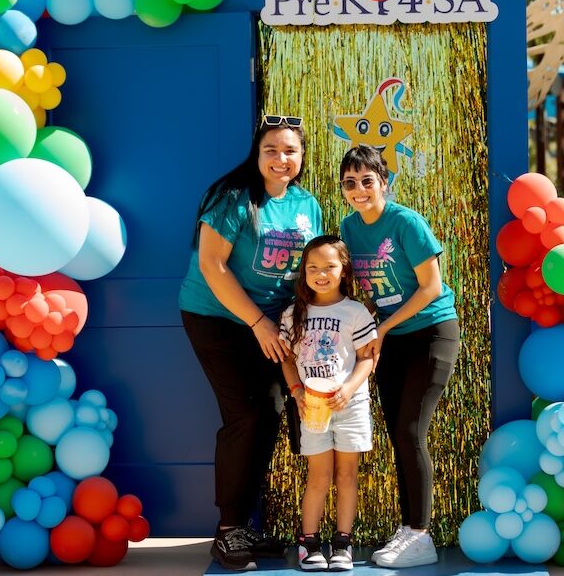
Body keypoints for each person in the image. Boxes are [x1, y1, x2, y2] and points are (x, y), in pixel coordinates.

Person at [179, 115, 323, 571]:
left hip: (272, 325)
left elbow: (309, 269)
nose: (281, 159)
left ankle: (246, 527)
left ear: (301, 157)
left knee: (272, 415)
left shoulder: (306, 204)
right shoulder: (234, 197)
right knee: (245, 415)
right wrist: (258, 322)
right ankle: (228, 530)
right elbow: (212, 265)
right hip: (219, 318)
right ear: (256, 154)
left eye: (290, 151)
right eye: (271, 151)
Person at [337, 146, 460, 569]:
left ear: (383, 183)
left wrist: (382, 329)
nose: (359, 190)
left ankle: (421, 536)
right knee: (398, 435)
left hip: (431, 332)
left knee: (411, 430)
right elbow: (360, 289)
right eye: (350, 183)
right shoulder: (348, 229)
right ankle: (409, 529)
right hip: (392, 338)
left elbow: (429, 286)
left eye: (367, 181)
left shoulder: (405, 222)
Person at [279, 235, 377, 572]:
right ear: (304, 272)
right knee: (318, 476)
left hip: (350, 405)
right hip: (313, 408)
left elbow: (368, 358)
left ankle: (343, 543)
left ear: (344, 270)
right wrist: (296, 392)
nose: (321, 274)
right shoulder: (293, 314)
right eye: (313, 268)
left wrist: (349, 389)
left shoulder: (355, 311)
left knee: (347, 474)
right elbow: (287, 360)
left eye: (329, 266)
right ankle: (310, 544)